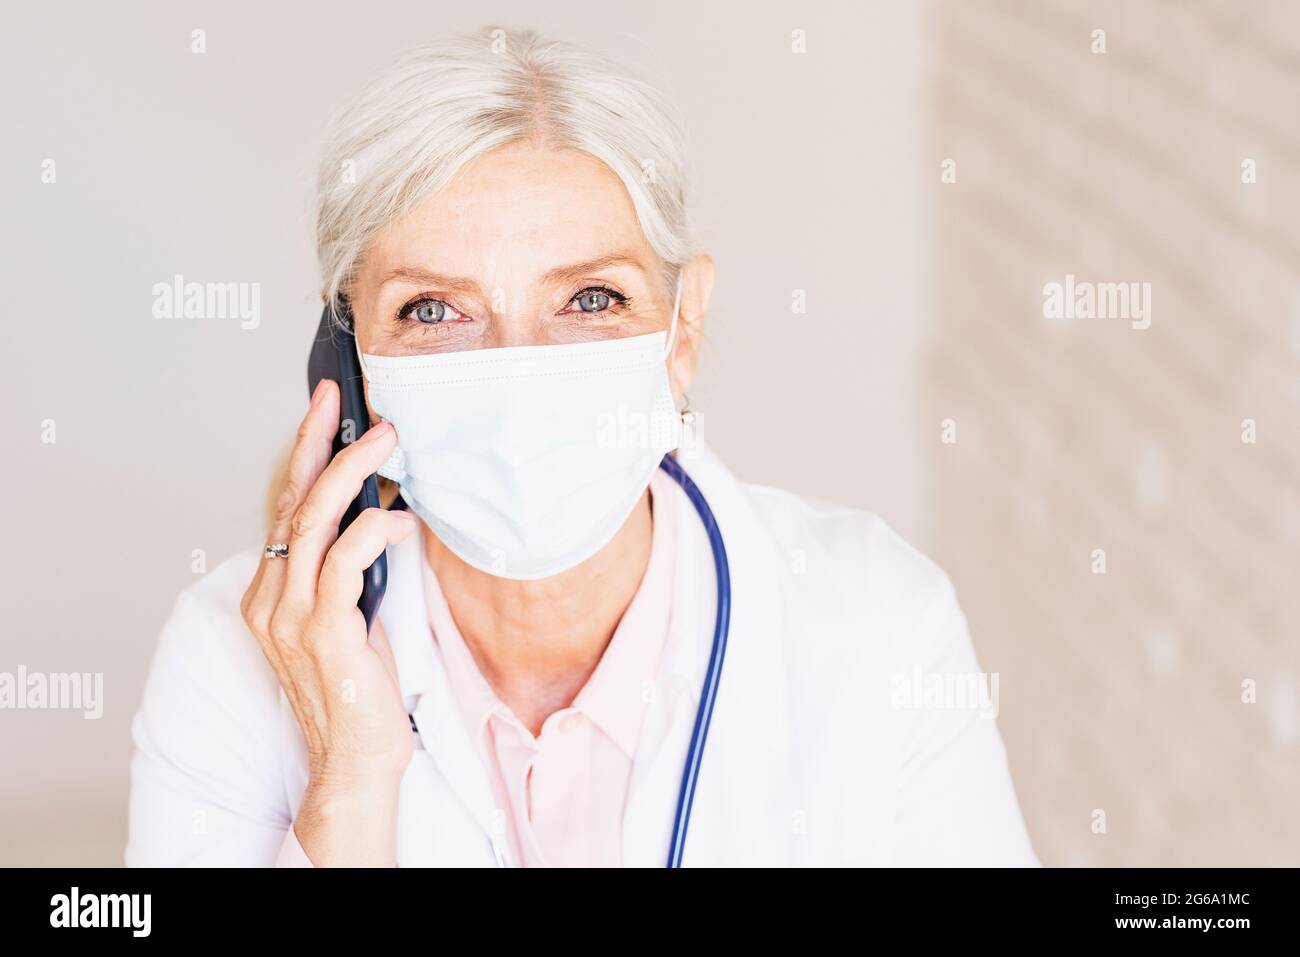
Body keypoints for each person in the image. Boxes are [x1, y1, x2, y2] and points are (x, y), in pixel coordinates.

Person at [126, 27, 1037, 867]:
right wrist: (349, 800)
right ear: (350, 363)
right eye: (434, 310)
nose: (519, 375)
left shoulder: (881, 626)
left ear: (683, 331)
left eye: (591, 299)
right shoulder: (227, 660)